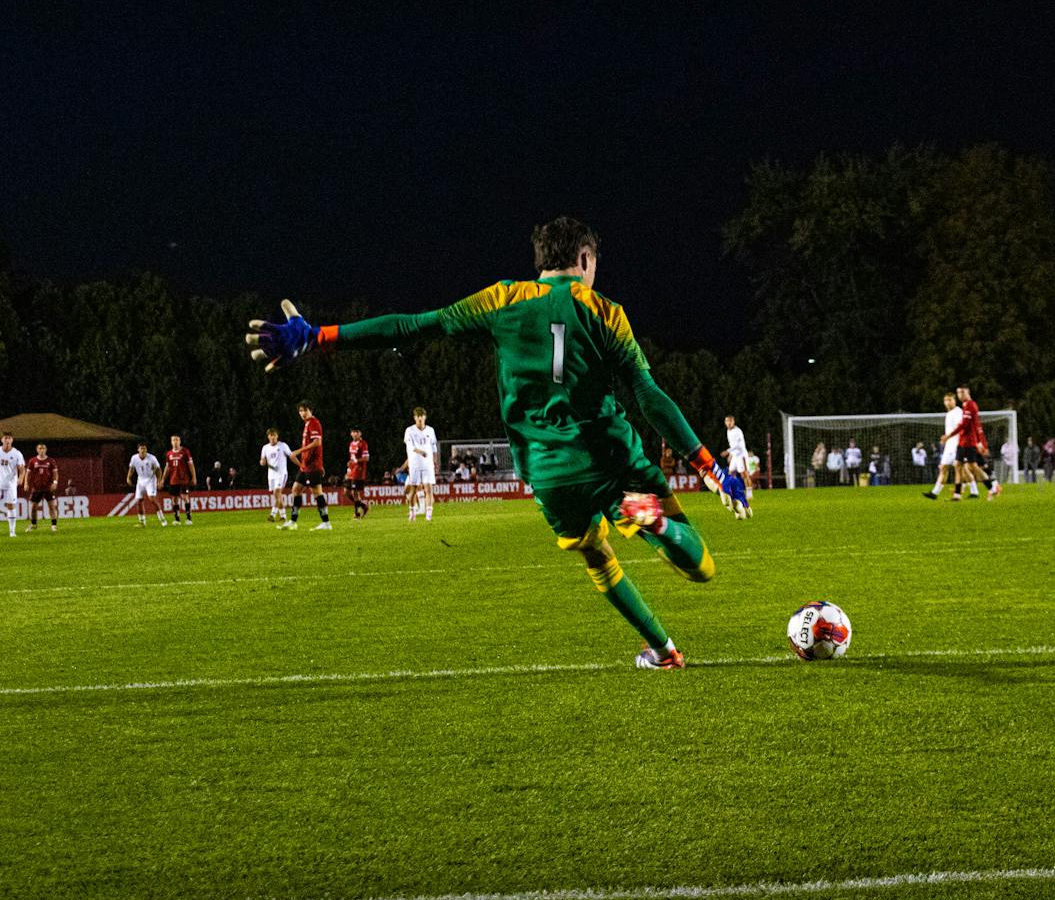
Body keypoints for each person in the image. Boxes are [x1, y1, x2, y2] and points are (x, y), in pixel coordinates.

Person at [246, 215, 747, 669]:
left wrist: (320, 336)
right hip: (613, 461)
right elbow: (649, 396)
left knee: (596, 556)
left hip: (550, 474)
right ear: (586, 259)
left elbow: (412, 326)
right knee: (700, 566)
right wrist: (709, 467)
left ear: (539, 263)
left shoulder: (502, 300)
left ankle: (662, 651)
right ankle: (645, 514)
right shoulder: (606, 312)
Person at [284, 401, 332, 530]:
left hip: (313, 465)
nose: (302, 413)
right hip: (305, 466)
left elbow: (317, 442)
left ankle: (326, 523)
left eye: (304, 410)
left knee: (317, 492)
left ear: (310, 410)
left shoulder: (314, 423)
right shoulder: (307, 424)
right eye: (300, 411)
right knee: (296, 490)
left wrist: (298, 452)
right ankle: (293, 522)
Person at [955, 385, 1000, 499]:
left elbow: (973, 426)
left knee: (974, 467)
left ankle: (992, 486)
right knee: (963, 466)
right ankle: (962, 492)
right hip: (967, 442)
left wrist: (981, 443)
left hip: (970, 443)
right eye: (958, 393)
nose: (960, 395)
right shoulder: (966, 405)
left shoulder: (970, 405)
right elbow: (976, 426)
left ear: (967, 392)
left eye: (962, 392)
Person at [925, 392, 964, 500]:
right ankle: (935, 493)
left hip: (957, 445)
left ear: (954, 400)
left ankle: (958, 494)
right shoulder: (949, 414)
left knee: (960, 469)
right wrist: (946, 440)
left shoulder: (958, 412)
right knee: (943, 468)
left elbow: (960, 428)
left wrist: (949, 437)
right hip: (949, 446)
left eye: (950, 400)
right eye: (946, 400)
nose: (947, 402)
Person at [403, 406, 439, 522]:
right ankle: (412, 511)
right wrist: (421, 452)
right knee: (413, 490)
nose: (420, 419)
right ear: (414, 418)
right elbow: (410, 447)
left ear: (425, 417)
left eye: (422, 416)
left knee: (428, 488)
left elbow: (434, 447)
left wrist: (435, 461)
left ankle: (428, 515)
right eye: (418, 416)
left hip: (428, 464)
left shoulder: (430, 430)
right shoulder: (410, 430)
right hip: (415, 464)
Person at [126, 441, 167, 527]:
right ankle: (142, 522)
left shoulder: (152, 458)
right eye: (141, 448)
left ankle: (162, 519)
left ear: (146, 449)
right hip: (140, 480)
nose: (143, 450)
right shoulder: (134, 458)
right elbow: (132, 468)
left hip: (150, 480)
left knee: (152, 499)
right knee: (139, 501)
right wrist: (128, 477)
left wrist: (159, 481)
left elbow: (158, 469)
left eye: (144, 448)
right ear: (138, 449)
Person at [260, 427, 294, 524]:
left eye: (274, 435)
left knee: (277, 493)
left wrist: (300, 465)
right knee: (276, 495)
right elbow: (262, 460)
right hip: (271, 475)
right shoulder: (265, 448)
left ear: (277, 436)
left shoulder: (283, 445)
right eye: (271, 435)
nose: (273, 437)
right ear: (268, 437)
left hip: (281, 474)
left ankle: (283, 516)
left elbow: (291, 455)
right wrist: (262, 462)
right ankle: (273, 515)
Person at [24, 443, 60, 533]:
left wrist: (55, 482)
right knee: (33, 508)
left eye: (43, 448)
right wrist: (26, 484)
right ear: (37, 450)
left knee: (52, 507)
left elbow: (55, 473)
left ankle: (54, 525)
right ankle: (33, 525)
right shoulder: (32, 461)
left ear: (46, 449)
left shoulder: (51, 461)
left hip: (48, 487)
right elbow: (28, 474)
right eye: (40, 448)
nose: (42, 450)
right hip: (36, 488)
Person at [162, 434, 197, 525]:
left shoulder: (185, 451)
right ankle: (177, 519)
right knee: (174, 499)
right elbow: (167, 467)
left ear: (180, 441)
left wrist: (194, 477)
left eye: (177, 440)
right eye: (173, 440)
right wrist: (163, 479)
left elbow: (191, 465)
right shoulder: (169, 453)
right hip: (173, 480)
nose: (175, 442)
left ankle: (189, 518)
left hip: (183, 479)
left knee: (185, 497)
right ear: (171, 442)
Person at [721, 415, 753, 507]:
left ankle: (749, 493)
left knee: (744, 474)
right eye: (727, 421)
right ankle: (735, 492)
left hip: (741, 454)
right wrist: (731, 455)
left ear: (733, 422)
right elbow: (732, 444)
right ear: (725, 422)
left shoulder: (737, 431)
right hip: (735, 455)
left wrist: (728, 451)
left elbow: (739, 445)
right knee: (731, 473)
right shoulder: (728, 431)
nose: (729, 423)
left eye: (730, 421)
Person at [0, 433, 25, 538]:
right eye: (6, 438)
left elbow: (22, 469)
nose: (7, 440)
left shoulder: (17, 453)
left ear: (12, 440)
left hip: (10, 484)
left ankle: (12, 532)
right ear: (2, 439)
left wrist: (21, 478)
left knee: (11, 506)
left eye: (9, 438)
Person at [344, 427, 371, 520]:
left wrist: (356, 460)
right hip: (351, 471)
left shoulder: (363, 444)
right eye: (353, 432)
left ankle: (357, 514)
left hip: (359, 472)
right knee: (346, 492)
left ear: (360, 434)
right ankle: (363, 506)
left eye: (357, 432)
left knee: (354, 492)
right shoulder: (351, 444)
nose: (355, 434)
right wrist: (350, 463)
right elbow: (352, 458)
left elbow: (366, 458)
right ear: (351, 434)